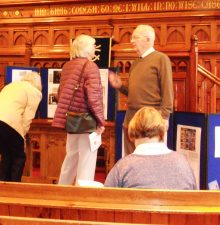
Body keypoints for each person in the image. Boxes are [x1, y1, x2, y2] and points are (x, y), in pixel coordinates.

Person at [109, 24, 173, 156]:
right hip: (131, 121)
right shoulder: (135, 63)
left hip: (151, 121)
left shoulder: (161, 59)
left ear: (148, 39)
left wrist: (165, 116)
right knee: (132, 159)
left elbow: (168, 90)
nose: (132, 41)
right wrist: (120, 86)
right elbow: (134, 95)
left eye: (135, 37)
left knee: (150, 161)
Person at [52, 34, 105, 185]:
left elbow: (61, 93)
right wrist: (100, 121)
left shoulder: (68, 66)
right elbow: (93, 97)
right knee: (87, 160)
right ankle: (82, 195)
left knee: (71, 157)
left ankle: (62, 190)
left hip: (71, 119)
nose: (95, 49)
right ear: (87, 48)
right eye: (93, 46)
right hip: (87, 120)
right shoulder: (90, 66)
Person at [104, 106, 197, 190]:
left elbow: (106, 202)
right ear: (162, 132)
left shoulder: (123, 167)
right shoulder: (183, 163)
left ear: (131, 133)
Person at [0, 71, 42, 182]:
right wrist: (22, 136)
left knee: (6, 153)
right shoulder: (34, 91)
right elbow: (28, 117)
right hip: (7, 120)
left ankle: (2, 184)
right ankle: (14, 186)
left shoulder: (11, 85)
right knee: (19, 156)